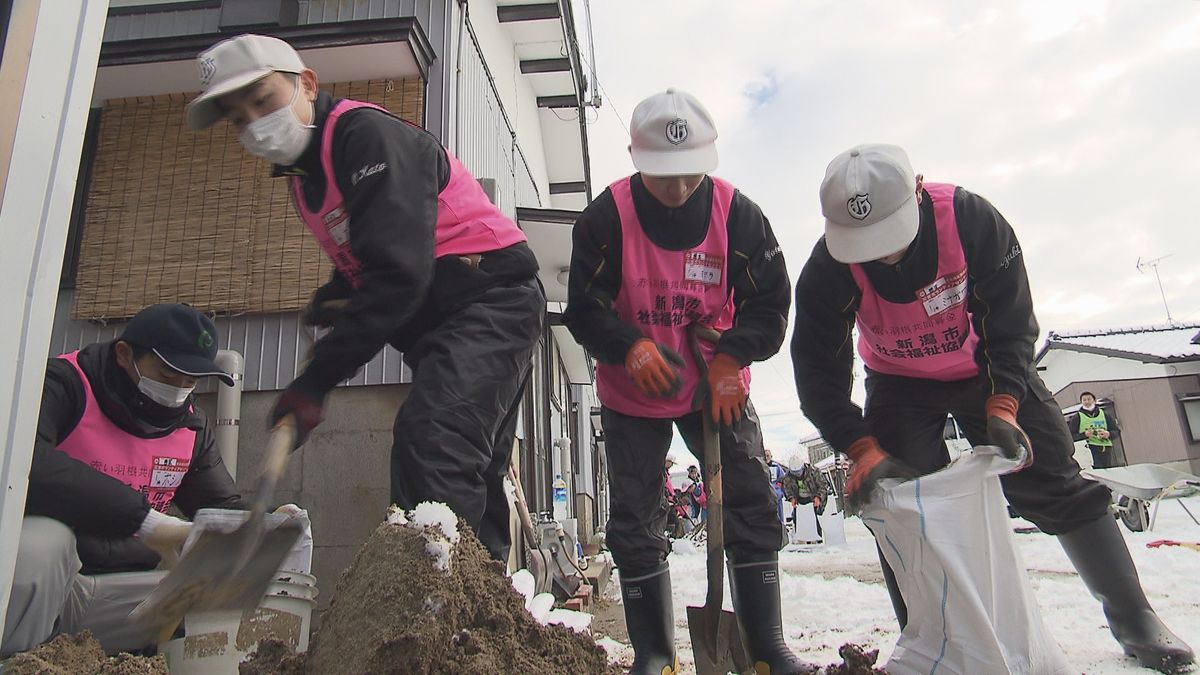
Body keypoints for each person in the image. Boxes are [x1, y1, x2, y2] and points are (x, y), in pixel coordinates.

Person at [790, 143, 1193, 673]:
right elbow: (818, 371)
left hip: (985, 369)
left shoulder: (969, 219)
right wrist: (860, 447)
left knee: (1051, 475)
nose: (882, 256)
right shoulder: (829, 268)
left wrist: (1004, 403)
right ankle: (929, 635)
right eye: (865, 244)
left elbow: (1012, 321)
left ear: (918, 191)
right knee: (900, 496)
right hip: (899, 382)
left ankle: (1135, 618)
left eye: (890, 238)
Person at [184, 35, 544, 562]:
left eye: (262, 100)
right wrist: (338, 294)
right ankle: (487, 617)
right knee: (472, 462)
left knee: (434, 445)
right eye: (237, 118)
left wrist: (315, 382)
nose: (254, 124)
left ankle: (438, 612)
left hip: (488, 299)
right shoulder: (307, 179)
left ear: (306, 82)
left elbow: (398, 276)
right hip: (443, 323)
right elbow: (374, 254)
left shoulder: (364, 135)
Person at [563, 88, 804, 674]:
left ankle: (764, 648)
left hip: (712, 388)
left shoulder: (738, 217)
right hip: (633, 392)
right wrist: (629, 345)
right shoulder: (605, 220)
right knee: (635, 515)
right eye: (662, 177)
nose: (676, 190)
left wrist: (733, 358)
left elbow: (770, 303)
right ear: (635, 157)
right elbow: (584, 308)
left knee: (748, 499)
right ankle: (655, 655)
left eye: (688, 175)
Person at [2, 304, 245, 656]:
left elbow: (222, 508)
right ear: (123, 354)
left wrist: (267, 522)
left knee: (219, 593)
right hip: (55, 586)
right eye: (168, 373)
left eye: (190, 380)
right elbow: (26, 462)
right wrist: (143, 520)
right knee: (39, 545)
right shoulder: (65, 385)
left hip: (124, 596)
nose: (178, 388)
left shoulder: (190, 428)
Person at [1067, 391, 1122, 469]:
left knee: (1108, 471)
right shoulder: (1077, 417)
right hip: (1089, 449)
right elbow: (1070, 436)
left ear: (1094, 400)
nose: (1087, 402)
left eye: (1089, 399)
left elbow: (1116, 431)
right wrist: (1084, 435)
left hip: (1105, 448)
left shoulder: (1104, 414)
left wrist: (1108, 434)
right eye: (1084, 400)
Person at [764, 449, 788, 524]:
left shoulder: (776, 467)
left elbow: (783, 479)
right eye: (765, 456)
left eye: (768, 455)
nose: (766, 457)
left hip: (777, 496)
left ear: (771, 456)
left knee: (779, 517)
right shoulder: (760, 467)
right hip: (765, 497)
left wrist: (781, 492)